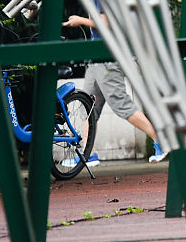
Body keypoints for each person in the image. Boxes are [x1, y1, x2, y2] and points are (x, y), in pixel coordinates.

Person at [62, 12, 167, 165]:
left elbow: (108, 21)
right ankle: (88, 153)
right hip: (96, 56)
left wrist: (81, 21)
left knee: (120, 104)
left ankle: (160, 140)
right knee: (88, 107)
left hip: (107, 55)